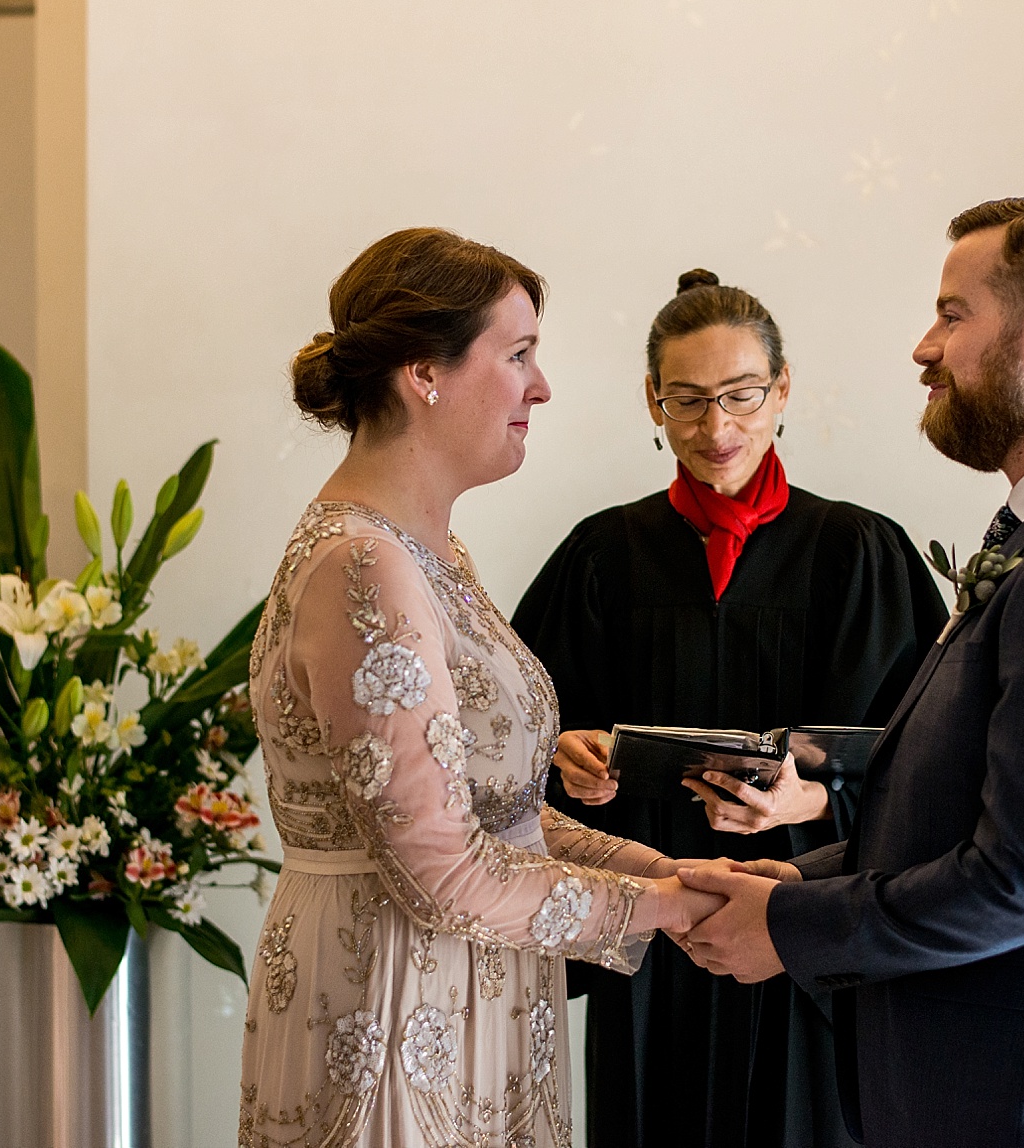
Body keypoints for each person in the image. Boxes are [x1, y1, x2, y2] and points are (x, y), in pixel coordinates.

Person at [680, 199, 1024, 1148]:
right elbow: (965, 813)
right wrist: (788, 888)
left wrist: (792, 929)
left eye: (952, 313)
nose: (924, 347)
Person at [237, 228, 720, 1148]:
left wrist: (668, 870)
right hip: (397, 1000)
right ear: (425, 371)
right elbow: (439, 865)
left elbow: (500, 816)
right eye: (519, 354)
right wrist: (661, 909)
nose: (540, 387)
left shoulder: (429, 553)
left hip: (476, 991)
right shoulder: (363, 564)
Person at [511, 270, 947, 1148]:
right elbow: (508, 743)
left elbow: (929, 763)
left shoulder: (861, 554)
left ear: (782, 389)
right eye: (687, 400)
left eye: (742, 396)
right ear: (652, 402)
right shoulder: (600, 558)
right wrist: (569, 763)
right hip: (650, 934)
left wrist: (815, 801)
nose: (717, 428)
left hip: (804, 927)